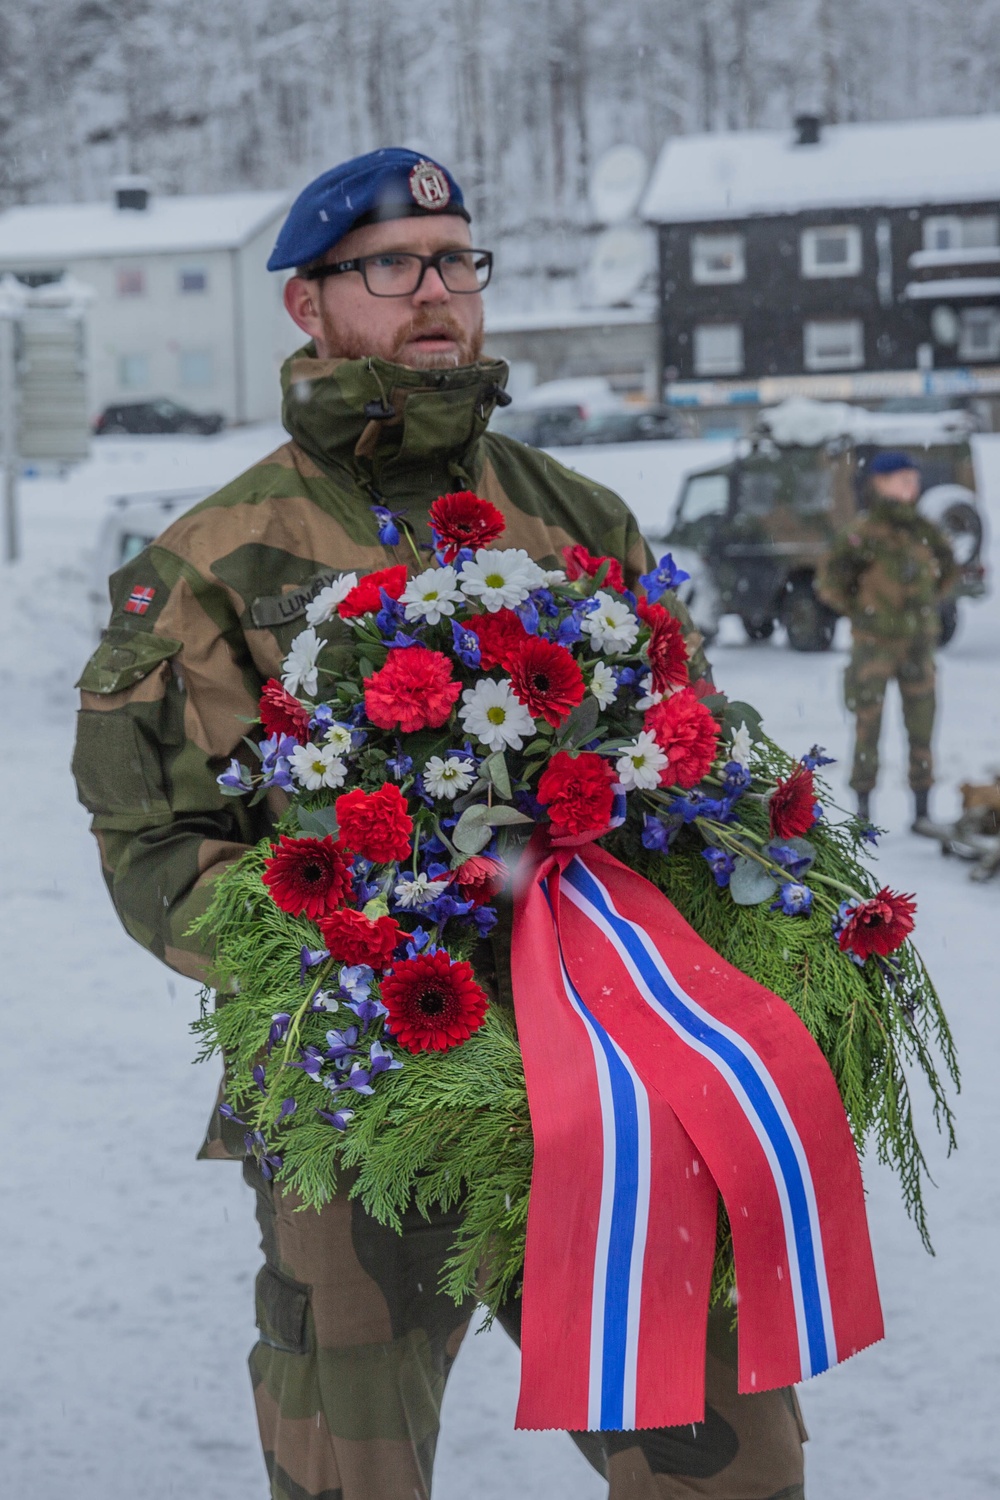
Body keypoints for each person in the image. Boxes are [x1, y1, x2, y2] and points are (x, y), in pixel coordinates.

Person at [72, 149, 807, 1500]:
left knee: (719, 1446)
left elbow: (689, 761)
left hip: (608, 1082)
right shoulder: (211, 561)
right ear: (310, 304)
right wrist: (354, 953)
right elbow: (158, 845)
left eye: (458, 259)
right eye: (394, 263)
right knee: (350, 1457)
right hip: (360, 1088)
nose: (438, 292)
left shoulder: (579, 520)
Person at [816, 450, 957, 830]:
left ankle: (923, 811)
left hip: (918, 647)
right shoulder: (863, 533)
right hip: (873, 647)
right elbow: (829, 581)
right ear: (879, 483)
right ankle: (863, 813)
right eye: (902, 478)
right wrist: (863, 612)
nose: (911, 485)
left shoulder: (924, 530)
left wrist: (923, 608)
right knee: (867, 727)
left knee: (923, 727)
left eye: (914, 478)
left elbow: (948, 569)